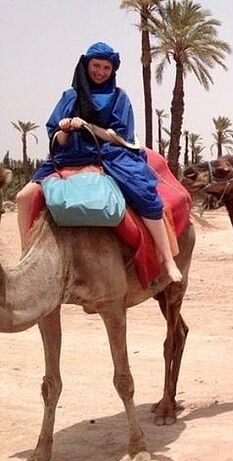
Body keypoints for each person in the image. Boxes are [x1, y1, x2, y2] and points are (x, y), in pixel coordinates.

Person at [15, 42, 183, 282]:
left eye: (106, 67)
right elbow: (57, 138)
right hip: (68, 155)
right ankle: (26, 257)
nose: (101, 71)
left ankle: (167, 259)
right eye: (96, 66)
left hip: (109, 152)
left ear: (112, 70)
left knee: (144, 194)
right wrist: (64, 129)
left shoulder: (118, 97)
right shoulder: (69, 96)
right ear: (86, 65)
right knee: (24, 196)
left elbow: (121, 136)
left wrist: (88, 126)